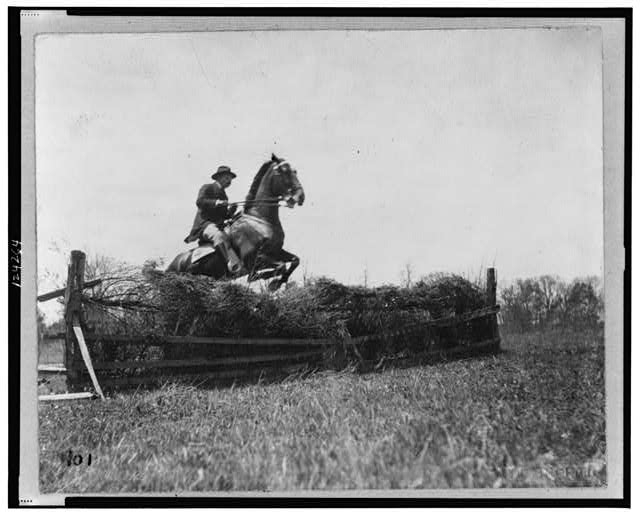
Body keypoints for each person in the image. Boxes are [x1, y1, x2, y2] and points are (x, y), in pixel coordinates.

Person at [184, 165, 241, 273]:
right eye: (227, 178)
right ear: (219, 178)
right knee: (218, 235)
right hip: (204, 225)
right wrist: (216, 202)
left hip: (217, 225)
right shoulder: (207, 187)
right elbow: (200, 202)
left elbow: (223, 216)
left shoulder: (225, 196)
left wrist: (232, 211)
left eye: (230, 179)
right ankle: (231, 263)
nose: (229, 181)